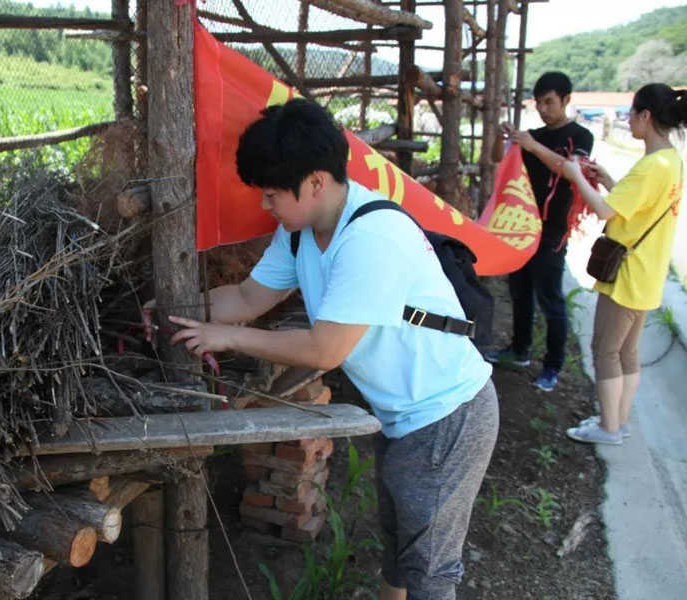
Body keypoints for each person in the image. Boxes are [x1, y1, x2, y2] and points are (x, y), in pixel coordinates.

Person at [146, 98, 498, 600]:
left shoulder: (370, 237)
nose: (265, 206)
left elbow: (325, 349)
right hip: (405, 413)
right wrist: (175, 309)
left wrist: (227, 338)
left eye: (271, 195)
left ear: (314, 182)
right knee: (400, 552)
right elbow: (247, 298)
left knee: (430, 573)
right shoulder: (301, 233)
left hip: (447, 413)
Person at [560, 83, 685, 445]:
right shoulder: (670, 161)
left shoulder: (651, 166)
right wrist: (609, 181)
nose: (629, 119)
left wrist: (576, 175)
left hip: (627, 276)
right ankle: (619, 419)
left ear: (646, 116)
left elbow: (604, 210)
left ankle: (609, 428)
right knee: (627, 351)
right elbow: (638, 207)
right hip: (648, 274)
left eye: (632, 113)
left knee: (605, 350)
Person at [487, 72, 594, 392]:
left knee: (551, 300)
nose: (543, 109)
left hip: (553, 231)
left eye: (550, 102)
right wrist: (500, 137)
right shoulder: (530, 136)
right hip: (521, 228)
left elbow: (571, 172)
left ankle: (552, 366)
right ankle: (519, 350)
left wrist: (532, 146)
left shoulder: (580, 136)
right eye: (539, 103)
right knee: (519, 291)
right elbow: (496, 158)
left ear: (566, 100)